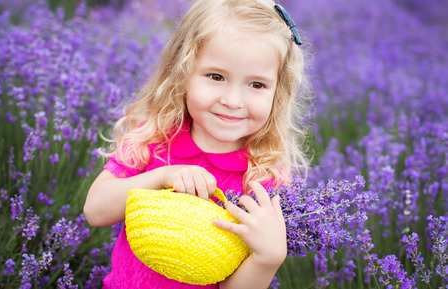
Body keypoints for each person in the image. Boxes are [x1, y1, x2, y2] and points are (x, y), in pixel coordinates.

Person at [83, 0, 312, 288]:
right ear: (182, 74)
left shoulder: (263, 177)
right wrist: (162, 176)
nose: (233, 101)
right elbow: (95, 210)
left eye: (257, 85)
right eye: (216, 77)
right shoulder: (154, 137)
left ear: (278, 92)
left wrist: (267, 258)